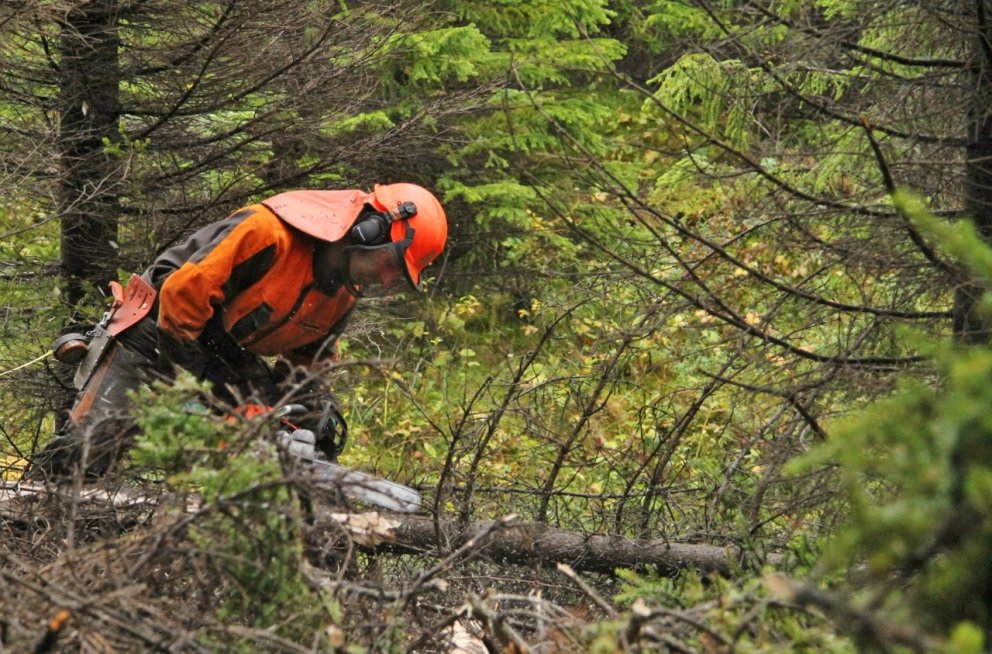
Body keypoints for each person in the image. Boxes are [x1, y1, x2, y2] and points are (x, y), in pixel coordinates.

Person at [27, 183, 448, 480]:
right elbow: (181, 299)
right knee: (86, 450)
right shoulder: (269, 233)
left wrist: (309, 408)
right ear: (370, 231)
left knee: (296, 435)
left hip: (224, 351)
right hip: (156, 332)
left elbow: (310, 359)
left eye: (397, 275)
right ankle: (29, 522)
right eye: (391, 264)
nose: (387, 279)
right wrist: (204, 397)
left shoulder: (341, 290)